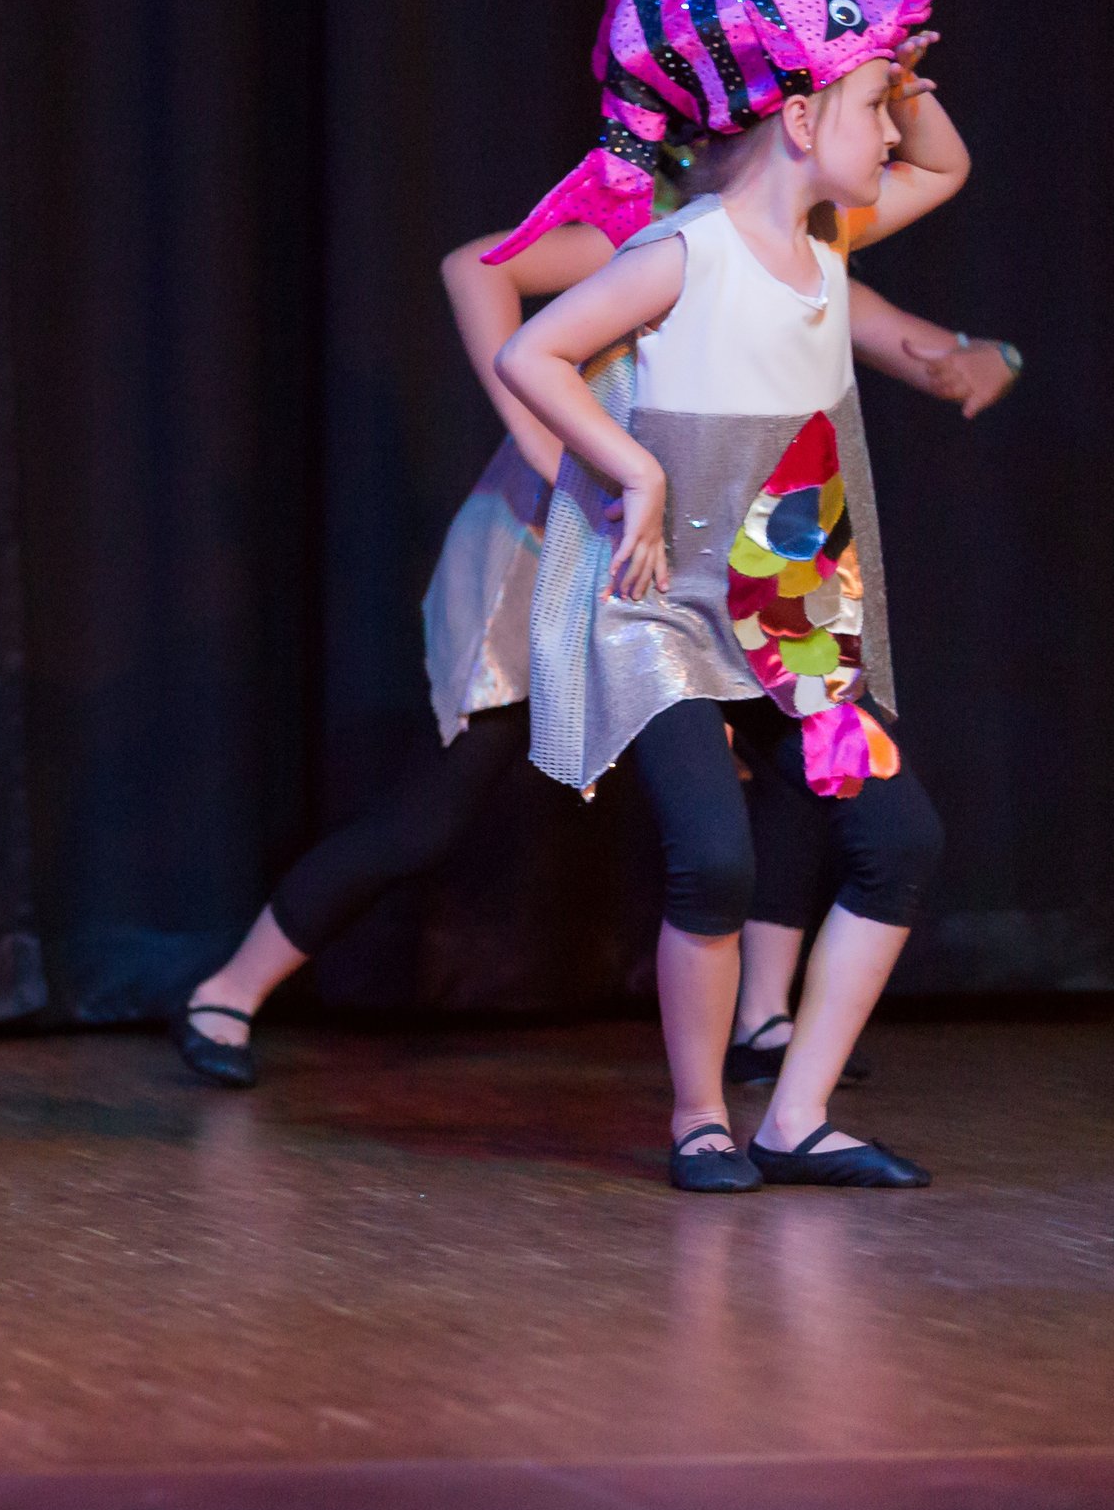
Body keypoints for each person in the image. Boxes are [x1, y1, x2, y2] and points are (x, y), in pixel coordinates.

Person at [174, 209, 1010, 1088]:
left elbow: (933, 331)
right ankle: (228, 990)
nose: (888, 143)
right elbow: (475, 267)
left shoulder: (808, 257)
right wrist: (554, 452)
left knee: (796, 765)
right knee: (439, 805)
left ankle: (763, 1016)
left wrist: (993, 357)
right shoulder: (671, 239)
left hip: (694, 573)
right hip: (562, 551)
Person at [497, 0, 966, 1191]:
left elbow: (946, 161)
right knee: (713, 857)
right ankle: (700, 1115)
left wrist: (897, 71)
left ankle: (797, 1113)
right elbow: (532, 350)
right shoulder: (685, 247)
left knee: (899, 838)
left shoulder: (827, 248)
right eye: (873, 109)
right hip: (661, 605)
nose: (893, 133)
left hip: (790, 605)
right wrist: (637, 469)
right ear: (801, 120)